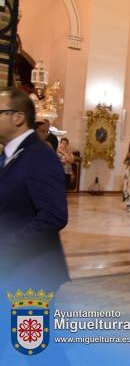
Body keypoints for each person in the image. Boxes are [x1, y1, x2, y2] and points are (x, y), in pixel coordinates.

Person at [0, 87, 69, 291]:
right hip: (11, 272)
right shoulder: (8, 155)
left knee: (26, 324)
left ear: (18, 117)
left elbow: (54, 215)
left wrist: (6, 248)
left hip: (31, 275)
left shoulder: (39, 155)